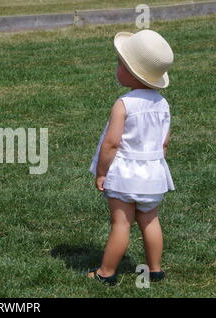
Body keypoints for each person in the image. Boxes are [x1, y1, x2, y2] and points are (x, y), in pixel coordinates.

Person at [88, 29, 175, 286]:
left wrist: (103, 172)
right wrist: (156, 166)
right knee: (150, 221)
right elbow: (164, 143)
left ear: (130, 71)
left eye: (119, 63)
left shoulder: (124, 104)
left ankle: (106, 272)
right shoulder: (163, 104)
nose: (117, 67)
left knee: (121, 223)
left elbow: (111, 144)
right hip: (153, 174)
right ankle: (155, 269)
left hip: (125, 175)